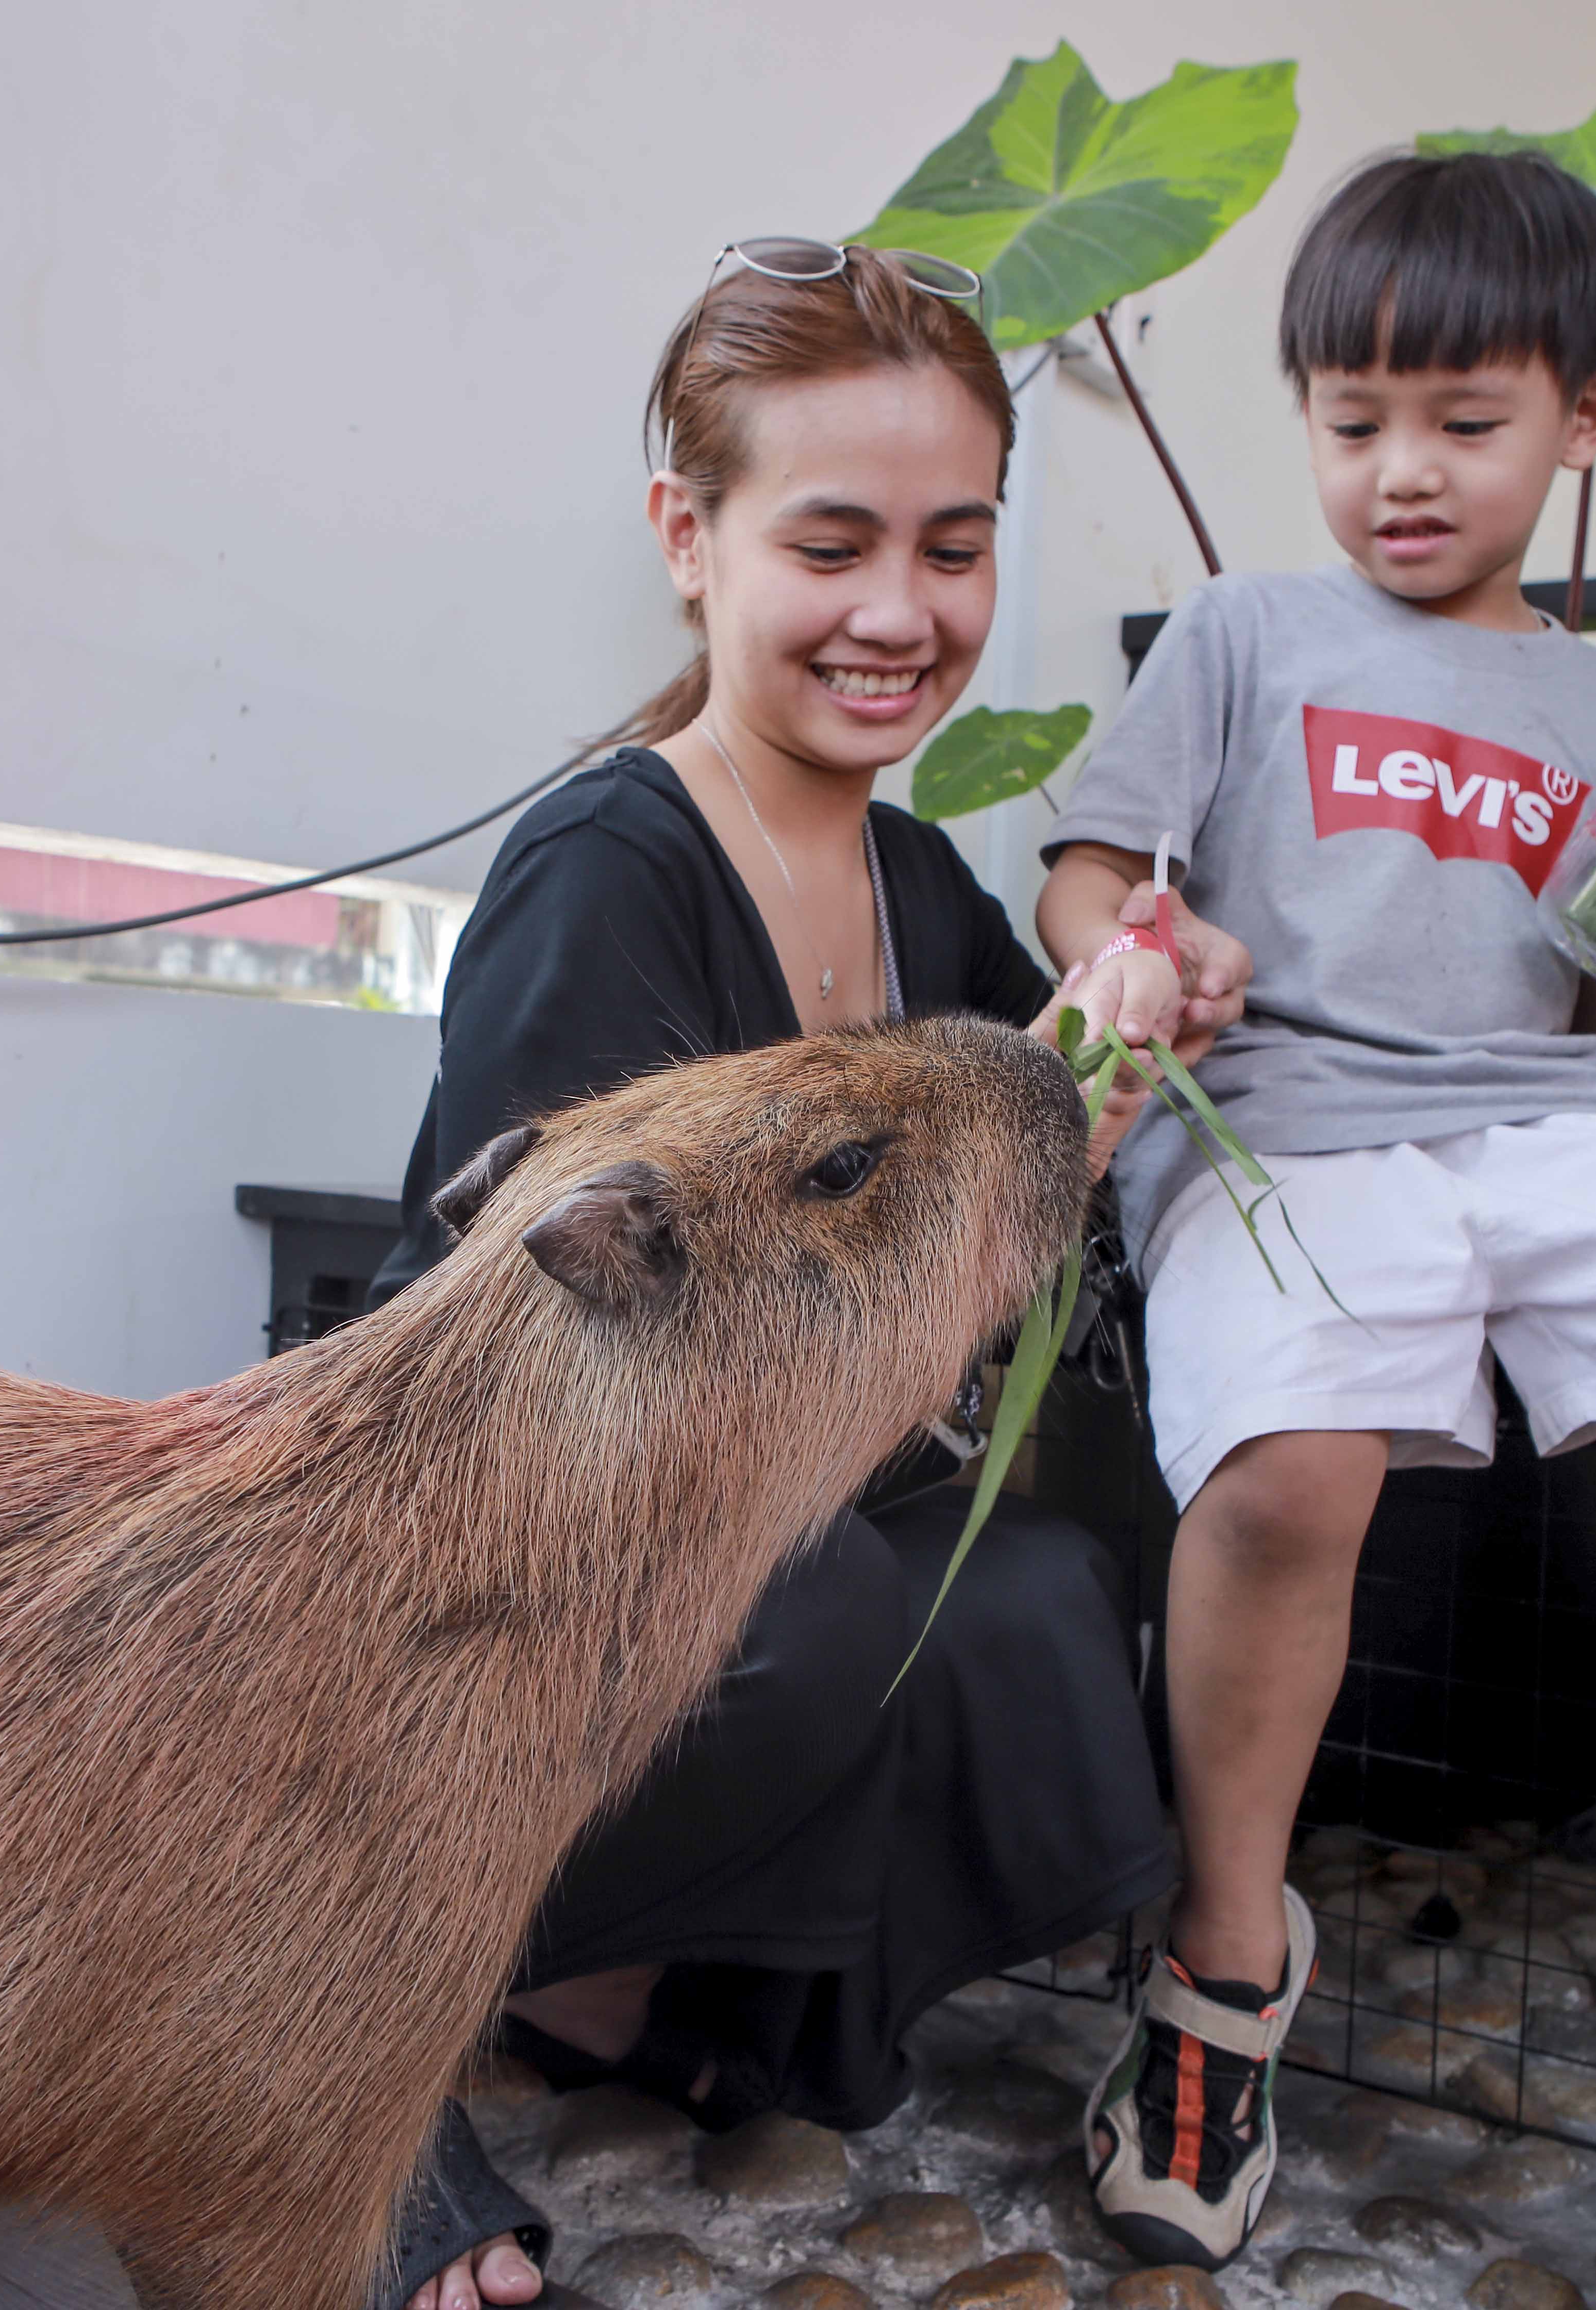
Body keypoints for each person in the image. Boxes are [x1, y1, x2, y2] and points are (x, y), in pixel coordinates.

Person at [1034, 152, 1596, 2307]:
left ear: (1588, 412)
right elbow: (1086, 866)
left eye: (1464, 424)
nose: (1401, 475)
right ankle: (1223, 1962)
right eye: (1353, 425)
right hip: (1283, 1130)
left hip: (1538, 1117)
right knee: (1294, 1462)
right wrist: (1141, 944)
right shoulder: (1256, 633)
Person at [362, 238, 1251, 2310]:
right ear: (690, 539)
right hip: (485, 1601)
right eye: (832, 541)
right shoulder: (611, 868)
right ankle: (343, 2031)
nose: (901, 613)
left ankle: (609, 1995)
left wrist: (1122, 1037)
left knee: (1025, 1583)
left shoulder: (908, 876)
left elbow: (1017, 1205)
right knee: (825, 1599)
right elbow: (564, 1388)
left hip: (755, 1539)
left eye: (954, 549)